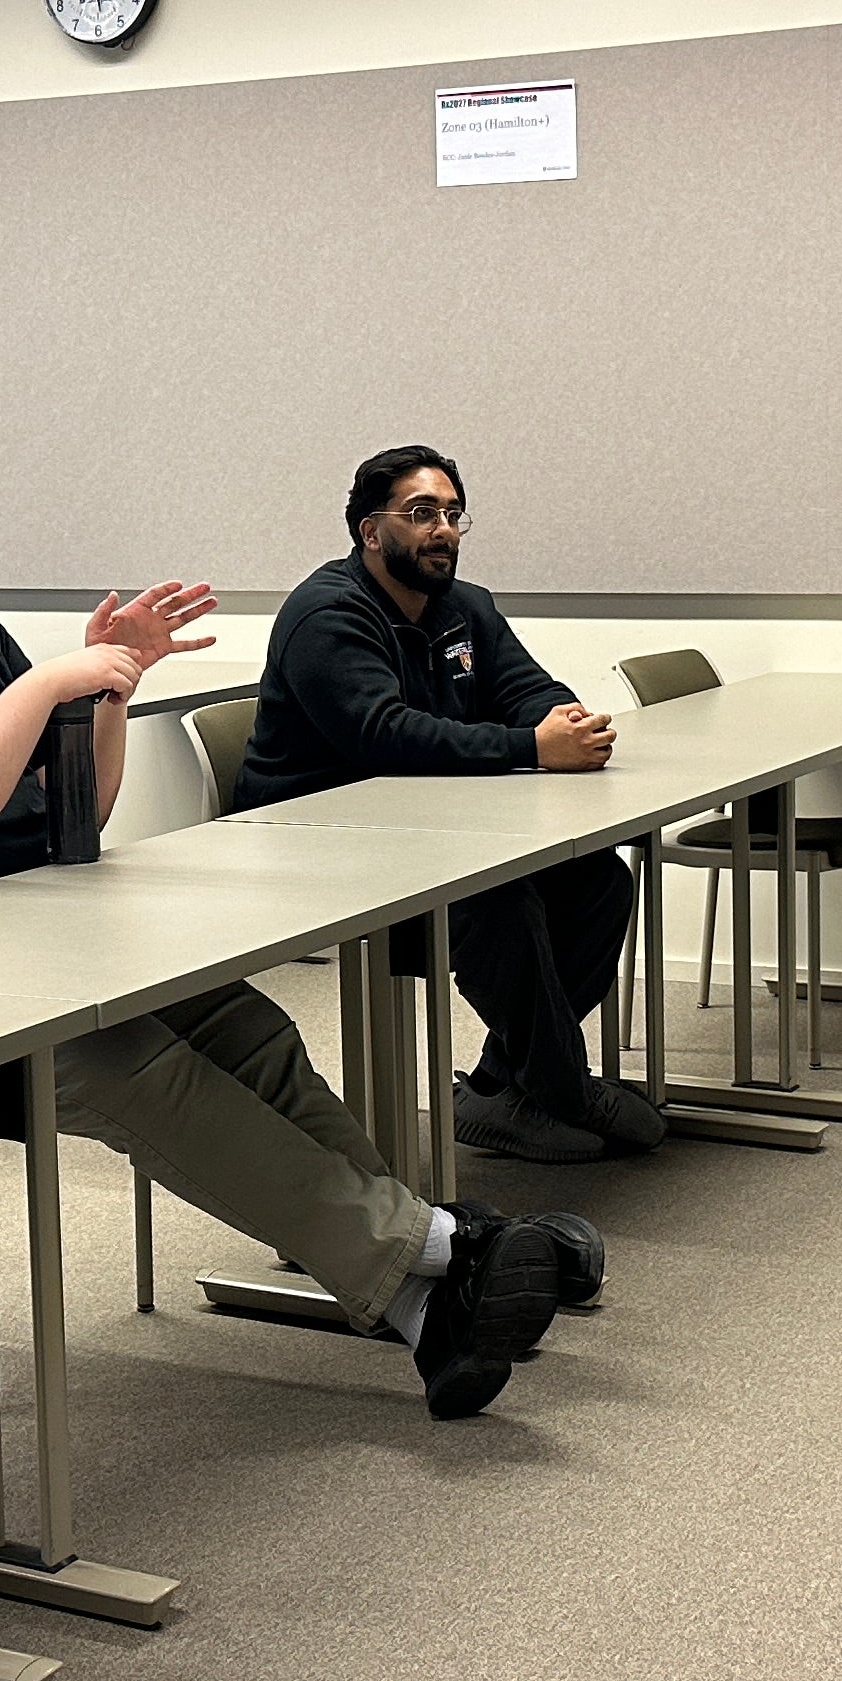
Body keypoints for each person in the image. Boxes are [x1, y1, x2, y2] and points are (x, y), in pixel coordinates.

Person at [0, 400, 581, 1418]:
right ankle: (443, 1246)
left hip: (19, 941)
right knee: (135, 1069)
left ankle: (426, 1302)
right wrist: (43, 690)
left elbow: (83, 809)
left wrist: (109, 693)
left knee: (247, 1029)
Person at [229, 445, 655, 1165]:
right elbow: (384, 736)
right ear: (371, 531)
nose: (443, 530)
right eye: (422, 513)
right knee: (499, 899)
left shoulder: (465, 606)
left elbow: (525, 688)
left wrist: (564, 719)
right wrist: (532, 746)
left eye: (454, 514)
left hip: (425, 827)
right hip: (320, 840)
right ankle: (563, 1089)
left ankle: (501, 1087)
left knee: (598, 881)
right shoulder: (326, 615)